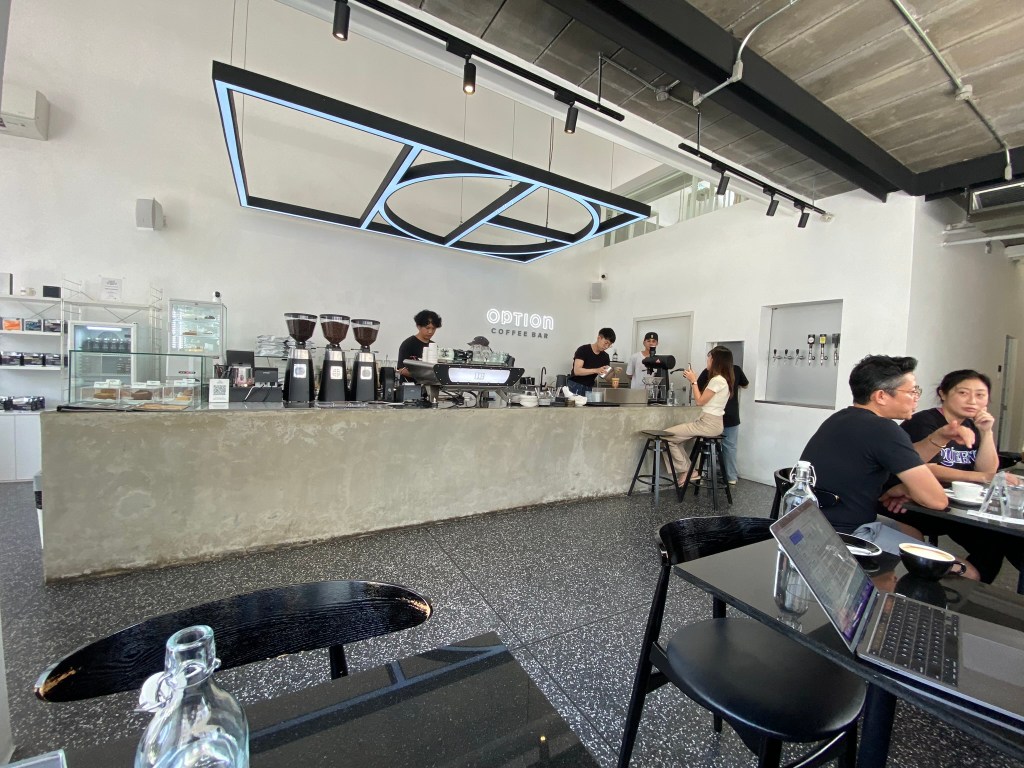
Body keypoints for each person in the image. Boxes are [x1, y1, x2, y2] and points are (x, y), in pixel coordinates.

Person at [799, 355, 979, 577]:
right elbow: (937, 501)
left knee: (913, 533)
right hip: (847, 535)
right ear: (881, 396)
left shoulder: (842, 418)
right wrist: (906, 488)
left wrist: (940, 437)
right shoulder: (883, 429)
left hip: (815, 523)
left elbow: (906, 458)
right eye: (912, 391)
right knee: (969, 572)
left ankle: (892, 581)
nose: (916, 398)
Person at [887, 370, 1005, 582]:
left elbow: (988, 470)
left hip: (953, 506)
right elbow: (926, 468)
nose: (972, 401)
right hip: (910, 504)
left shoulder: (973, 425)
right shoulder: (924, 422)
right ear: (943, 393)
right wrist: (981, 478)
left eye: (980, 395)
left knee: (993, 543)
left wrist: (986, 432)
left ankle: (964, 591)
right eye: (963, 393)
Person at [664, 346, 733, 484]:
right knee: (672, 438)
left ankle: (688, 471)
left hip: (708, 424)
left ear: (715, 361)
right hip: (711, 423)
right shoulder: (723, 380)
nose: (707, 360)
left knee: (665, 436)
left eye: (709, 358)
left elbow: (699, 401)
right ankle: (689, 470)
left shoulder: (717, 380)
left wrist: (693, 381)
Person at [697, 346, 749, 485]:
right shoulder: (736, 370)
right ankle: (731, 477)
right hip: (731, 414)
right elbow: (745, 385)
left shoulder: (709, 373)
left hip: (713, 415)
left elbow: (698, 390)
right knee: (730, 447)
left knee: (707, 445)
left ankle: (704, 474)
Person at [567, 328, 615, 396]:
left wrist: (612, 371)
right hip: (575, 385)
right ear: (599, 338)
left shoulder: (605, 356)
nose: (606, 346)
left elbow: (607, 378)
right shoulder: (583, 350)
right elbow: (577, 371)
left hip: (589, 388)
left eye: (609, 345)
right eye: (606, 343)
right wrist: (596, 370)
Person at [397, 309, 441, 381]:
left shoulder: (433, 346)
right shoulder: (408, 344)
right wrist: (422, 375)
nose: (430, 331)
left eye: (433, 328)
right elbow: (401, 369)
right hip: (410, 386)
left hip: (429, 386)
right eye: (427, 328)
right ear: (418, 326)